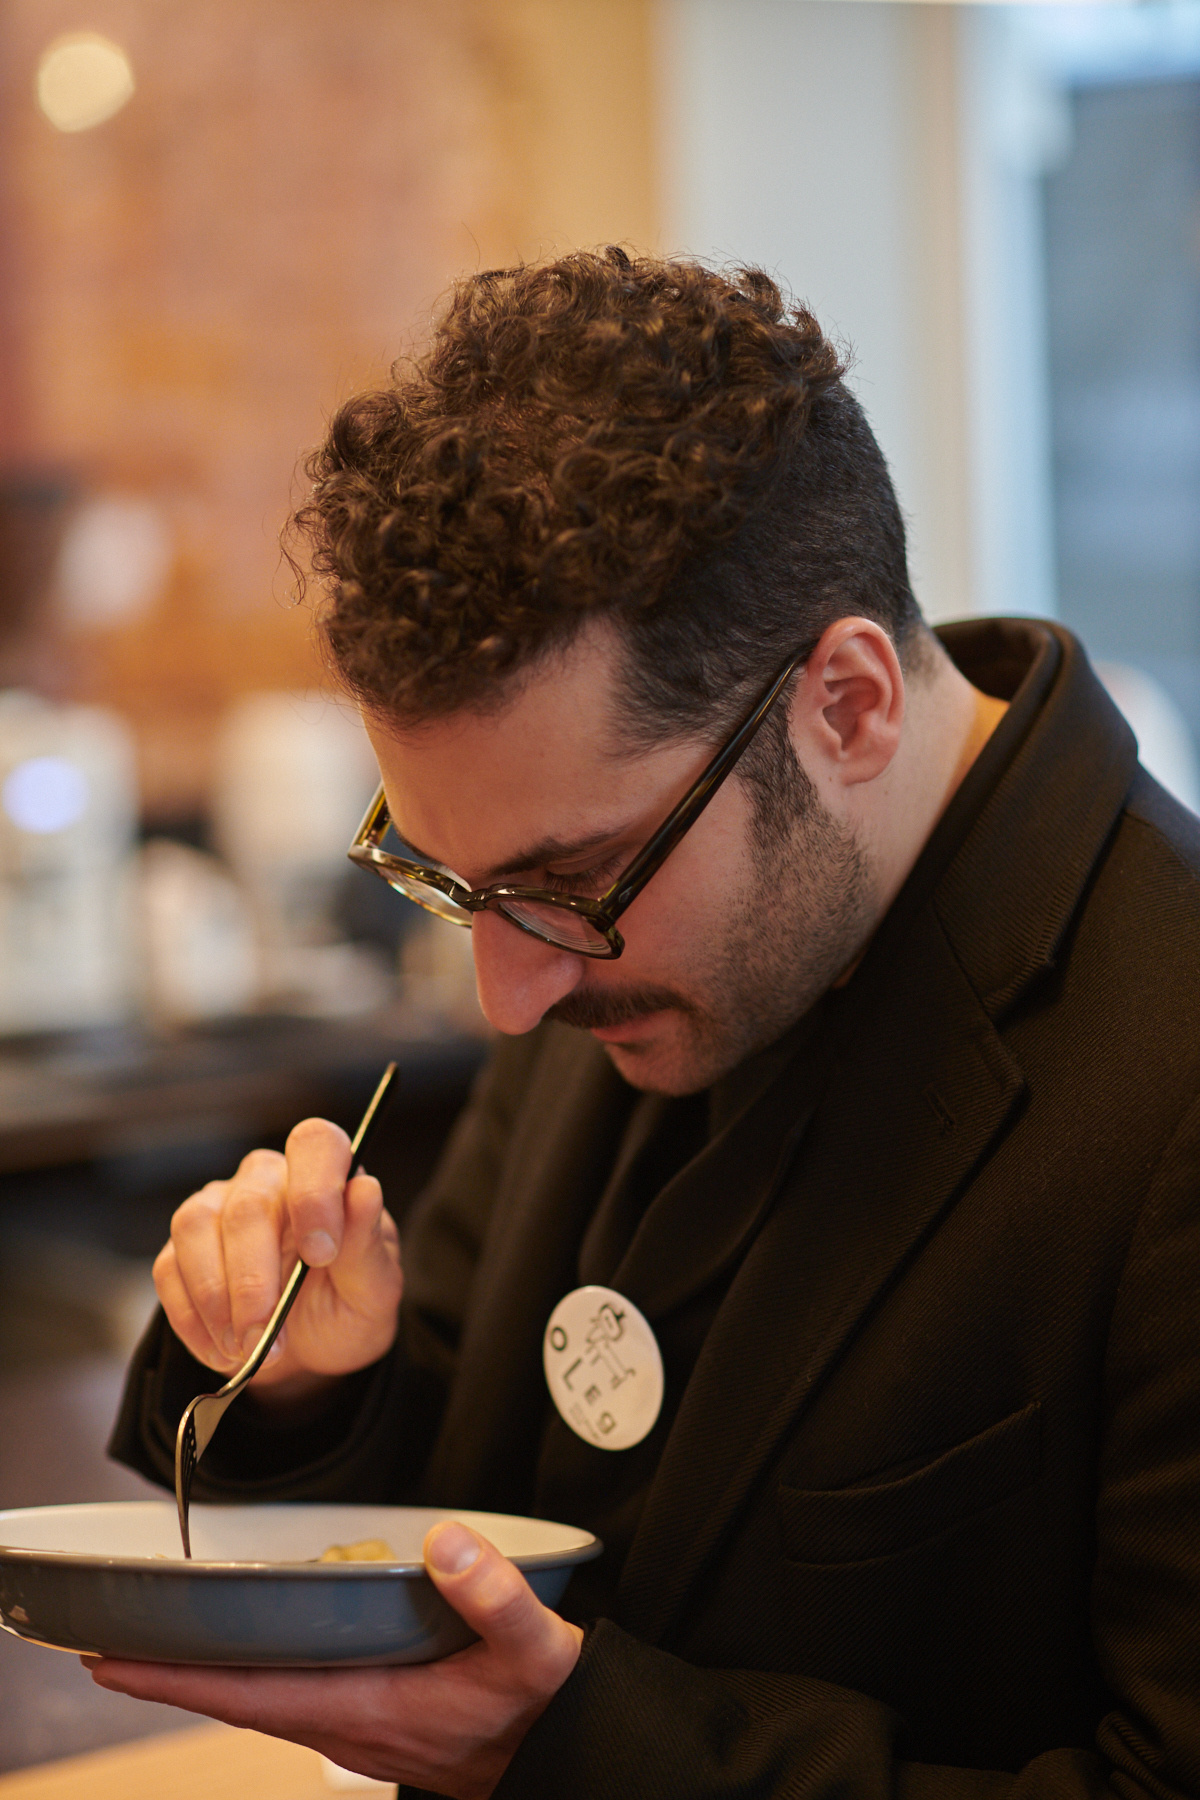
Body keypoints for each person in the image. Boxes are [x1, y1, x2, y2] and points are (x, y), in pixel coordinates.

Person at [104, 250, 1200, 1800]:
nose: (509, 993)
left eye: (570, 880)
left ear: (848, 706)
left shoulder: (1171, 1079)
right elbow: (477, 1513)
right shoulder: (586, 953)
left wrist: (575, 1755)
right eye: (444, 878)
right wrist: (310, 1387)